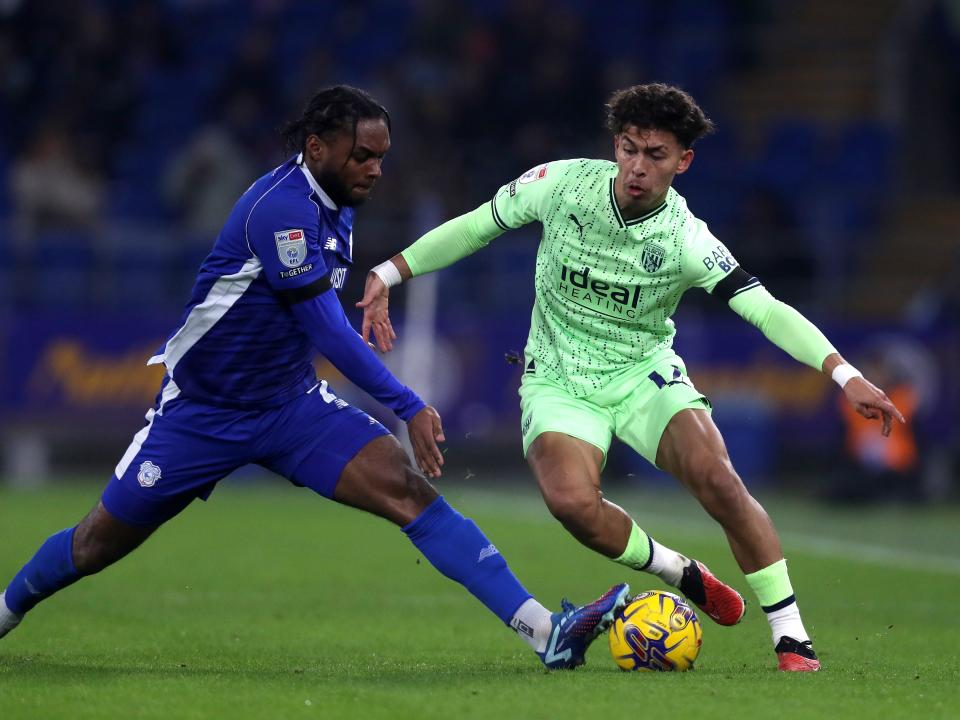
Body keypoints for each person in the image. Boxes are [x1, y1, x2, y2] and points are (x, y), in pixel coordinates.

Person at [0, 86, 630, 670]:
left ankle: (545, 633)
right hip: (203, 413)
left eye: (381, 158)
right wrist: (406, 403)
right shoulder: (282, 211)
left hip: (289, 406)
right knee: (96, 543)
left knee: (408, 492)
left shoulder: (338, 203)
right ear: (317, 148)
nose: (374, 170)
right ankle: (5, 612)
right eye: (362, 156)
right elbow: (328, 331)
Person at [358, 83, 906, 672]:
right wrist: (389, 271)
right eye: (629, 149)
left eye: (656, 154)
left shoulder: (686, 240)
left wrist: (844, 374)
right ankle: (678, 570)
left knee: (719, 480)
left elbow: (766, 309)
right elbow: (475, 226)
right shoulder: (562, 185)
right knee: (571, 503)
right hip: (558, 379)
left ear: (683, 161)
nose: (638, 167)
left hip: (643, 373)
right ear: (616, 145)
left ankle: (790, 636)